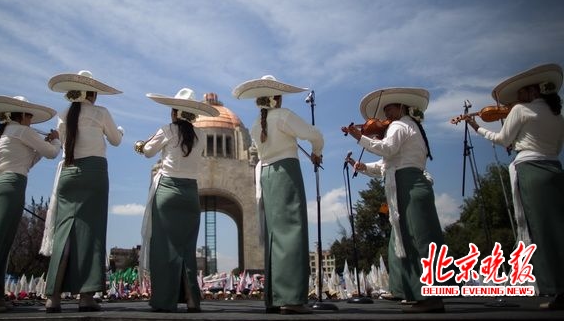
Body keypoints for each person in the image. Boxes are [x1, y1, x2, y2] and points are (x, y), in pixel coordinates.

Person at [461, 63, 564, 310]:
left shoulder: (520, 110)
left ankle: (553, 288)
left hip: (531, 169)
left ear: (532, 93)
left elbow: (501, 139)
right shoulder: (559, 117)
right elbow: (558, 148)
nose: (516, 98)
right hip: (555, 168)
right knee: (558, 227)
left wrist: (477, 127)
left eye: (521, 93)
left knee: (539, 229)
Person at [342, 87, 445, 313]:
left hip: (409, 183)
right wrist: (362, 166)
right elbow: (387, 166)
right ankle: (418, 293)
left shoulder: (400, 126)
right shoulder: (406, 127)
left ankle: (431, 296)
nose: (386, 114)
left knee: (418, 241)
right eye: (385, 109)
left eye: (390, 108)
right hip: (404, 181)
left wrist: (360, 137)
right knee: (409, 240)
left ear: (401, 107)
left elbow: (387, 150)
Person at [232, 75, 323, 315]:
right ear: (278, 98)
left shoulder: (254, 124)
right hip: (286, 173)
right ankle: (292, 299)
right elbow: (315, 135)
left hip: (266, 175)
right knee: (292, 230)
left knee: (275, 234)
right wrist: (317, 152)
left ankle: (274, 297)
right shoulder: (284, 116)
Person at [0, 96, 61, 313]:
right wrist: (56, 140)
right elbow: (52, 153)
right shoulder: (22, 131)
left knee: (0, 240)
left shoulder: (6, 133)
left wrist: (43, 145)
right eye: (30, 116)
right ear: (23, 115)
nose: (32, 120)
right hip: (10, 185)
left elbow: (27, 162)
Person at [40, 70, 124, 313]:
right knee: (92, 232)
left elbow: (63, 142)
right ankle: (86, 295)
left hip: (68, 173)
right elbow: (116, 140)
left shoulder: (64, 114)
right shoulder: (100, 112)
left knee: (64, 231)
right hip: (94, 173)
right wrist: (121, 131)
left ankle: (52, 296)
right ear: (92, 94)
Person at [134, 88, 219, 313]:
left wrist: (141, 144)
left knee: (164, 249)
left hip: (167, 192)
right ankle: (192, 300)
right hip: (191, 194)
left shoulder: (167, 130)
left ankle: (164, 301)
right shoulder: (201, 136)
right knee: (187, 249)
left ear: (174, 113)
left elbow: (147, 152)